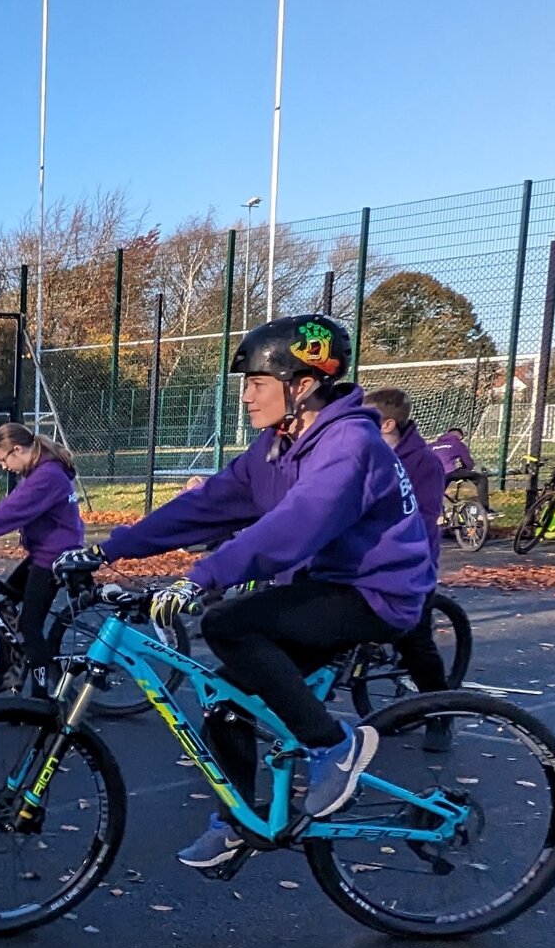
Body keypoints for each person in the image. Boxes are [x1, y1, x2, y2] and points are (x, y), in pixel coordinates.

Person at [59, 315, 433, 869]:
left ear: (301, 385)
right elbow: (207, 505)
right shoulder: (277, 445)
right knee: (224, 699)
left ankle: (335, 746)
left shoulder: (349, 443)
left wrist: (203, 577)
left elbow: (297, 524)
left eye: (257, 383)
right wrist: (111, 549)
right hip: (320, 586)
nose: (246, 397)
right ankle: (240, 822)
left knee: (228, 624)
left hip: (375, 594)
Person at [0, 422, 82, 694]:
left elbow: (11, 514)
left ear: (17, 450)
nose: (3, 467)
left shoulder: (47, 476)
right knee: (4, 601)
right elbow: (7, 506)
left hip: (54, 557)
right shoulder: (38, 471)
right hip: (45, 552)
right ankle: (10, 672)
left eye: (2, 460)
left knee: (31, 627)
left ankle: (42, 697)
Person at [368, 390, 453, 746]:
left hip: (409, 567)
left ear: (387, 423)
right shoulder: (364, 453)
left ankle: (440, 716)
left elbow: (422, 518)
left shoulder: (423, 463)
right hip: (362, 563)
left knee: (416, 642)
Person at [428, 424, 491, 515]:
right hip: (451, 471)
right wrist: (467, 470)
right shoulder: (458, 444)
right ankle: (485, 510)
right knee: (481, 478)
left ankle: (439, 516)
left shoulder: (431, 446)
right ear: (460, 436)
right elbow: (468, 463)